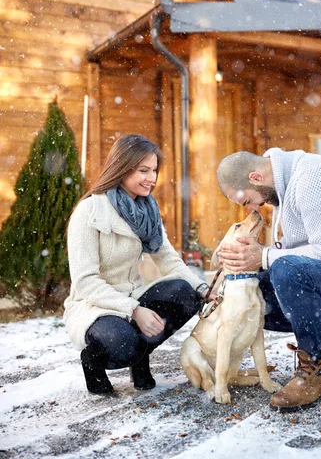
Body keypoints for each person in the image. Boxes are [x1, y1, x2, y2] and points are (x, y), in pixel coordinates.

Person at [216, 148, 321, 411]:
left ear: (256, 177)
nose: (253, 208)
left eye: (246, 201)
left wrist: (265, 255)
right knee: (249, 297)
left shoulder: (314, 177)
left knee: (284, 268)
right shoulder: (283, 189)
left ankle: (317, 369)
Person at [64, 134, 212, 395]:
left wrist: (203, 289)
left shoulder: (147, 212)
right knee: (123, 345)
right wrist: (134, 310)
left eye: (154, 170)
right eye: (143, 170)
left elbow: (169, 262)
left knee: (184, 293)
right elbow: (86, 283)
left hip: (132, 294)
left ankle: (140, 357)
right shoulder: (89, 212)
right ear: (122, 167)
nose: (152, 178)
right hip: (96, 306)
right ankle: (94, 362)